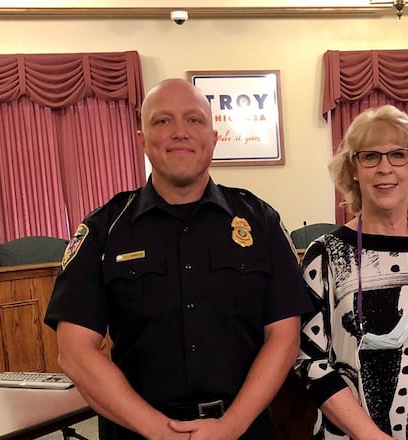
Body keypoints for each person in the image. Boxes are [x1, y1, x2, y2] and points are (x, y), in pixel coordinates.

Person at [44, 78, 312, 440]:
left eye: (194, 120)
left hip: (243, 429)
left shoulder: (260, 221)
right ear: (141, 139)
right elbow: (75, 352)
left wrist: (231, 425)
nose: (179, 132)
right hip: (135, 431)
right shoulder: (104, 229)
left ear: (214, 139)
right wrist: (157, 430)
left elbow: (284, 337)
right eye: (162, 121)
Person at [294, 105, 408, 440]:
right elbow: (308, 358)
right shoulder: (324, 254)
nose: (385, 168)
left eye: (397, 155)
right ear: (353, 168)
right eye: (370, 157)